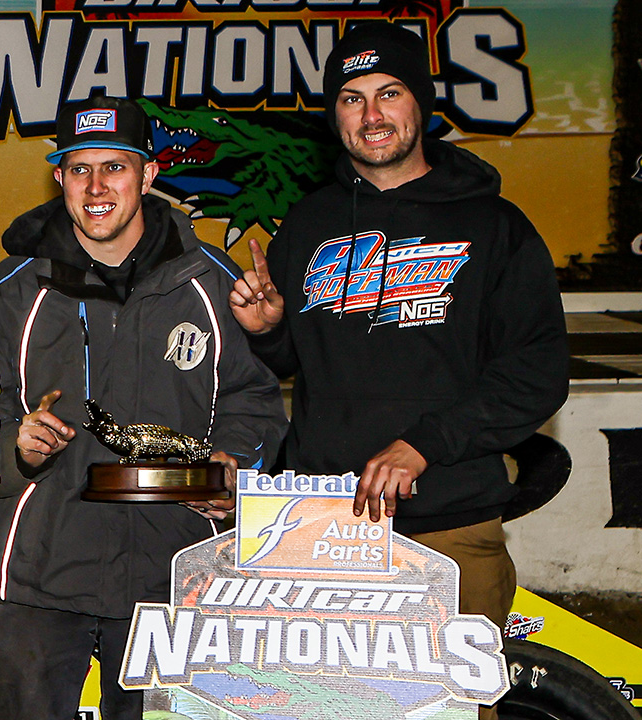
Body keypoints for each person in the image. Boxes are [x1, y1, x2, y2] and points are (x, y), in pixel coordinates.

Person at [229, 22, 569, 632]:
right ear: (335, 116)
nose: (372, 114)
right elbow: (285, 364)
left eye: (390, 92)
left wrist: (423, 446)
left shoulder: (495, 227)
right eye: (352, 98)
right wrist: (267, 329)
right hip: (318, 526)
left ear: (420, 102)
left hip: (450, 528)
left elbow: (535, 374)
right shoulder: (310, 224)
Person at [0, 96, 287, 720]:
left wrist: (234, 464)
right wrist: (15, 441)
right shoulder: (9, 290)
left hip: (172, 573)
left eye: (115, 168)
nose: (97, 187)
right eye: (79, 168)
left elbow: (252, 400)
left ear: (148, 176)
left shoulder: (213, 285)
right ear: (58, 176)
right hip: (43, 573)